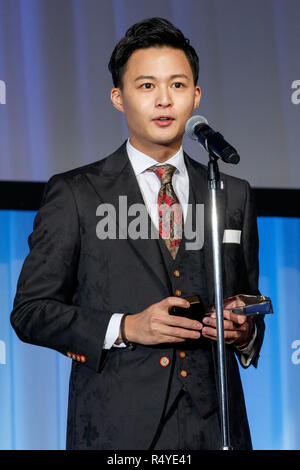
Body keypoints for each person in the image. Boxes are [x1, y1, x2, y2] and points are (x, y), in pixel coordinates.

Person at [11, 17, 265, 450]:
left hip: (216, 427)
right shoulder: (76, 193)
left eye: (178, 85)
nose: (164, 99)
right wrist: (126, 326)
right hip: (116, 430)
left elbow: (246, 297)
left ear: (196, 95)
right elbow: (31, 312)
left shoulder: (231, 193)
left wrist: (245, 332)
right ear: (118, 97)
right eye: (147, 86)